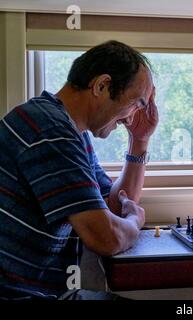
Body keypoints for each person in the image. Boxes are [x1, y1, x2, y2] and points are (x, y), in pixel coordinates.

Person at [0, 40, 158, 300]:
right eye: (135, 104)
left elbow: (115, 206)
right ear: (102, 86)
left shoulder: (73, 132)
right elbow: (105, 237)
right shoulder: (50, 130)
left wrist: (140, 140)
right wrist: (135, 222)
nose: (131, 118)